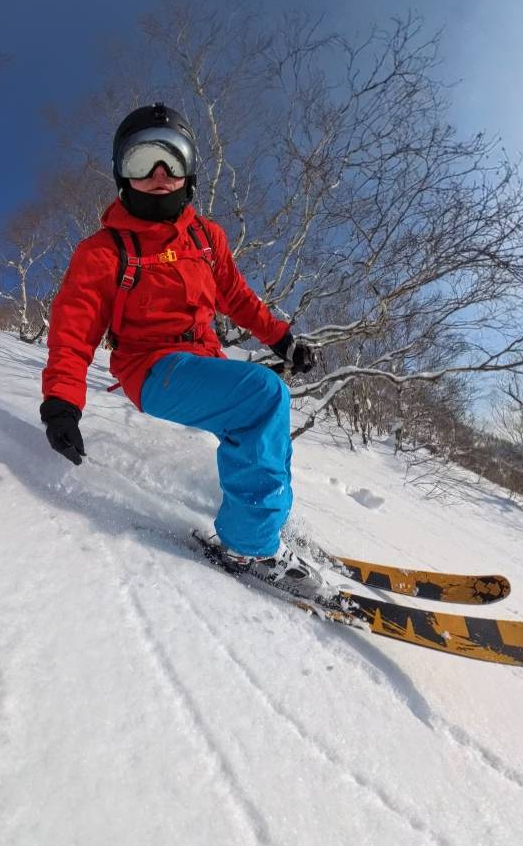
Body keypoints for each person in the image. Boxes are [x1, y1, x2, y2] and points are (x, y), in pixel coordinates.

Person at [38, 103, 323, 597]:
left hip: (203, 360)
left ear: (190, 171)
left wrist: (283, 339)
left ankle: (259, 516)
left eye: (172, 160)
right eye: (142, 161)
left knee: (258, 418)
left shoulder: (206, 238)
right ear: (121, 174)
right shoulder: (103, 252)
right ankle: (250, 545)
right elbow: (73, 329)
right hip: (150, 369)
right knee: (262, 397)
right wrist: (63, 402)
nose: (159, 175)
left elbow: (237, 297)